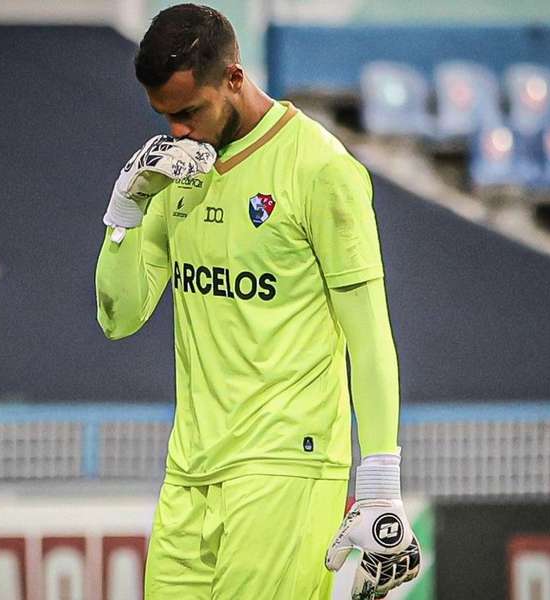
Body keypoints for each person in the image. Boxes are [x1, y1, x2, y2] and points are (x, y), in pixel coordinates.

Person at [95, 4, 420, 599]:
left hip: (286, 467)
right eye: (165, 117)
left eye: (189, 112)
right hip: (190, 473)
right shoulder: (177, 174)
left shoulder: (321, 170)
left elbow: (370, 336)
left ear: (235, 79)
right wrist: (125, 212)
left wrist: (379, 485)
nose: (179, 133)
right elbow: (118, 317)